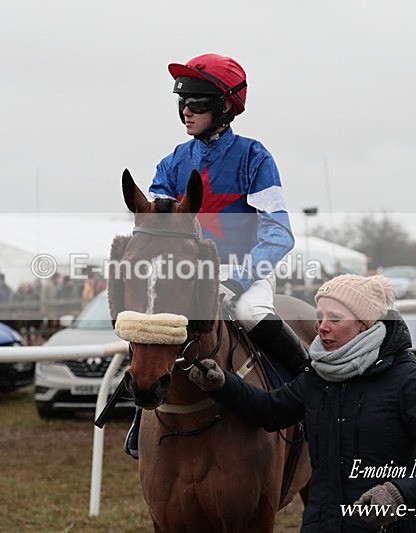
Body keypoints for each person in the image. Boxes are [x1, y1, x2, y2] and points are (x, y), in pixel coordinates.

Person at [125, 53, 306, 458]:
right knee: (148, 323)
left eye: (196, 102)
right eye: (182, 102)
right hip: (186, 274)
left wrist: (237, 280)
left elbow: (279, 233)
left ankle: (311, 398)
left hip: (245, 273)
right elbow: (156, 231)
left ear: (225, 106)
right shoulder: (171, 163)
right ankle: (141, 415)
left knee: (252, 314)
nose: (186, 111)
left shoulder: (255, 157)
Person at [188, 274, 416, 531]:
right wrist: (222, 385)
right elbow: (270, 411)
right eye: (320, 317)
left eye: (335, 318)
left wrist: (399, 493)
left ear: (365, 323)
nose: (322, 327)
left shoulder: (407, 380)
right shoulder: (318, 374)